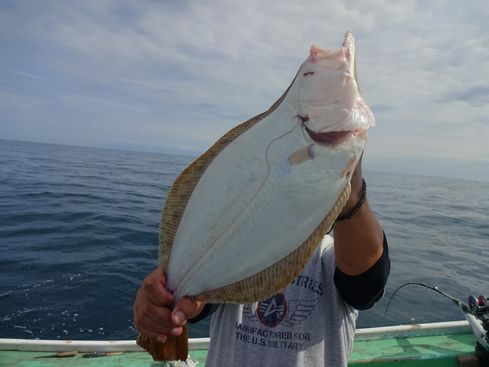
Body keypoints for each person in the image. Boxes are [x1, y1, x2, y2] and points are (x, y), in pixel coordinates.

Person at [133, 157, 389, 366]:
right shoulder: (238, 251)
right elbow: (201, 301)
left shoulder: (332, 257)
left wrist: (350, 195)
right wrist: (165, 304)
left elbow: (367, 282)